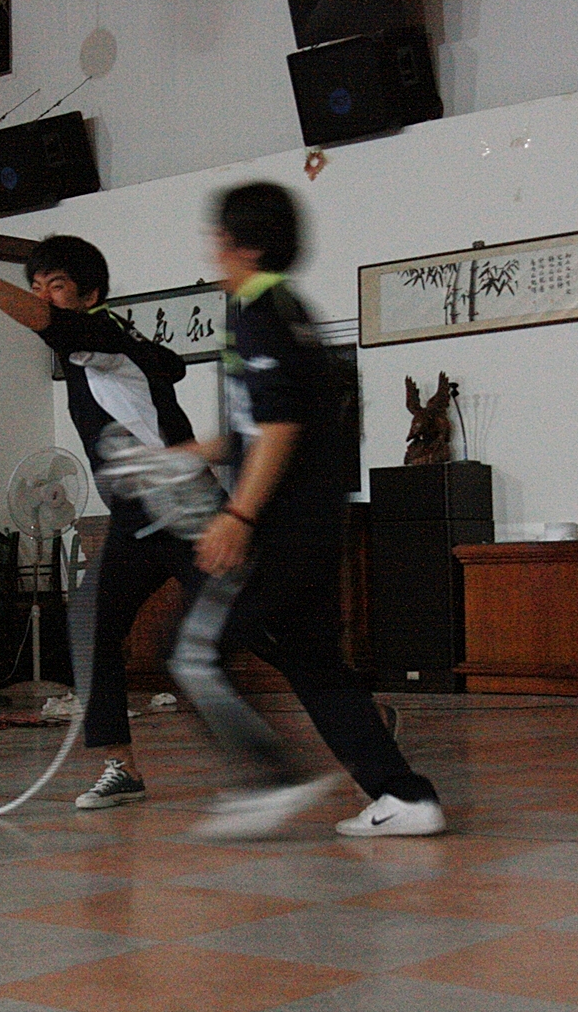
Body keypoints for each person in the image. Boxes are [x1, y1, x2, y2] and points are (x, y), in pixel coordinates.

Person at [174, 181, 445, 839]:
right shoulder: (289, 311)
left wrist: (238, 517)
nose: (212, 248)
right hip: (316, 528)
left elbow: (279, 427)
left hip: (279, 532)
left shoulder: (259, 310)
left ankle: (270, 779)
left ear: (245, 245)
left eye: (219, 236)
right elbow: (263, 427)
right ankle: (404, 796)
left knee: (188, 652)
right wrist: (188, 453)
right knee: (315, 664)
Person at [0, 207, 202, 810]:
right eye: (36, 286)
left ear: (90, 296)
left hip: (186, 509)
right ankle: (120, 767)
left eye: (55, 286)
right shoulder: (102, 345)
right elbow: (165, 365)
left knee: (257, 625)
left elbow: (51, 324)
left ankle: (348, 710)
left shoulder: (100, 337)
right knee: (91, 623)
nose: (41, 299)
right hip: (135, 521)